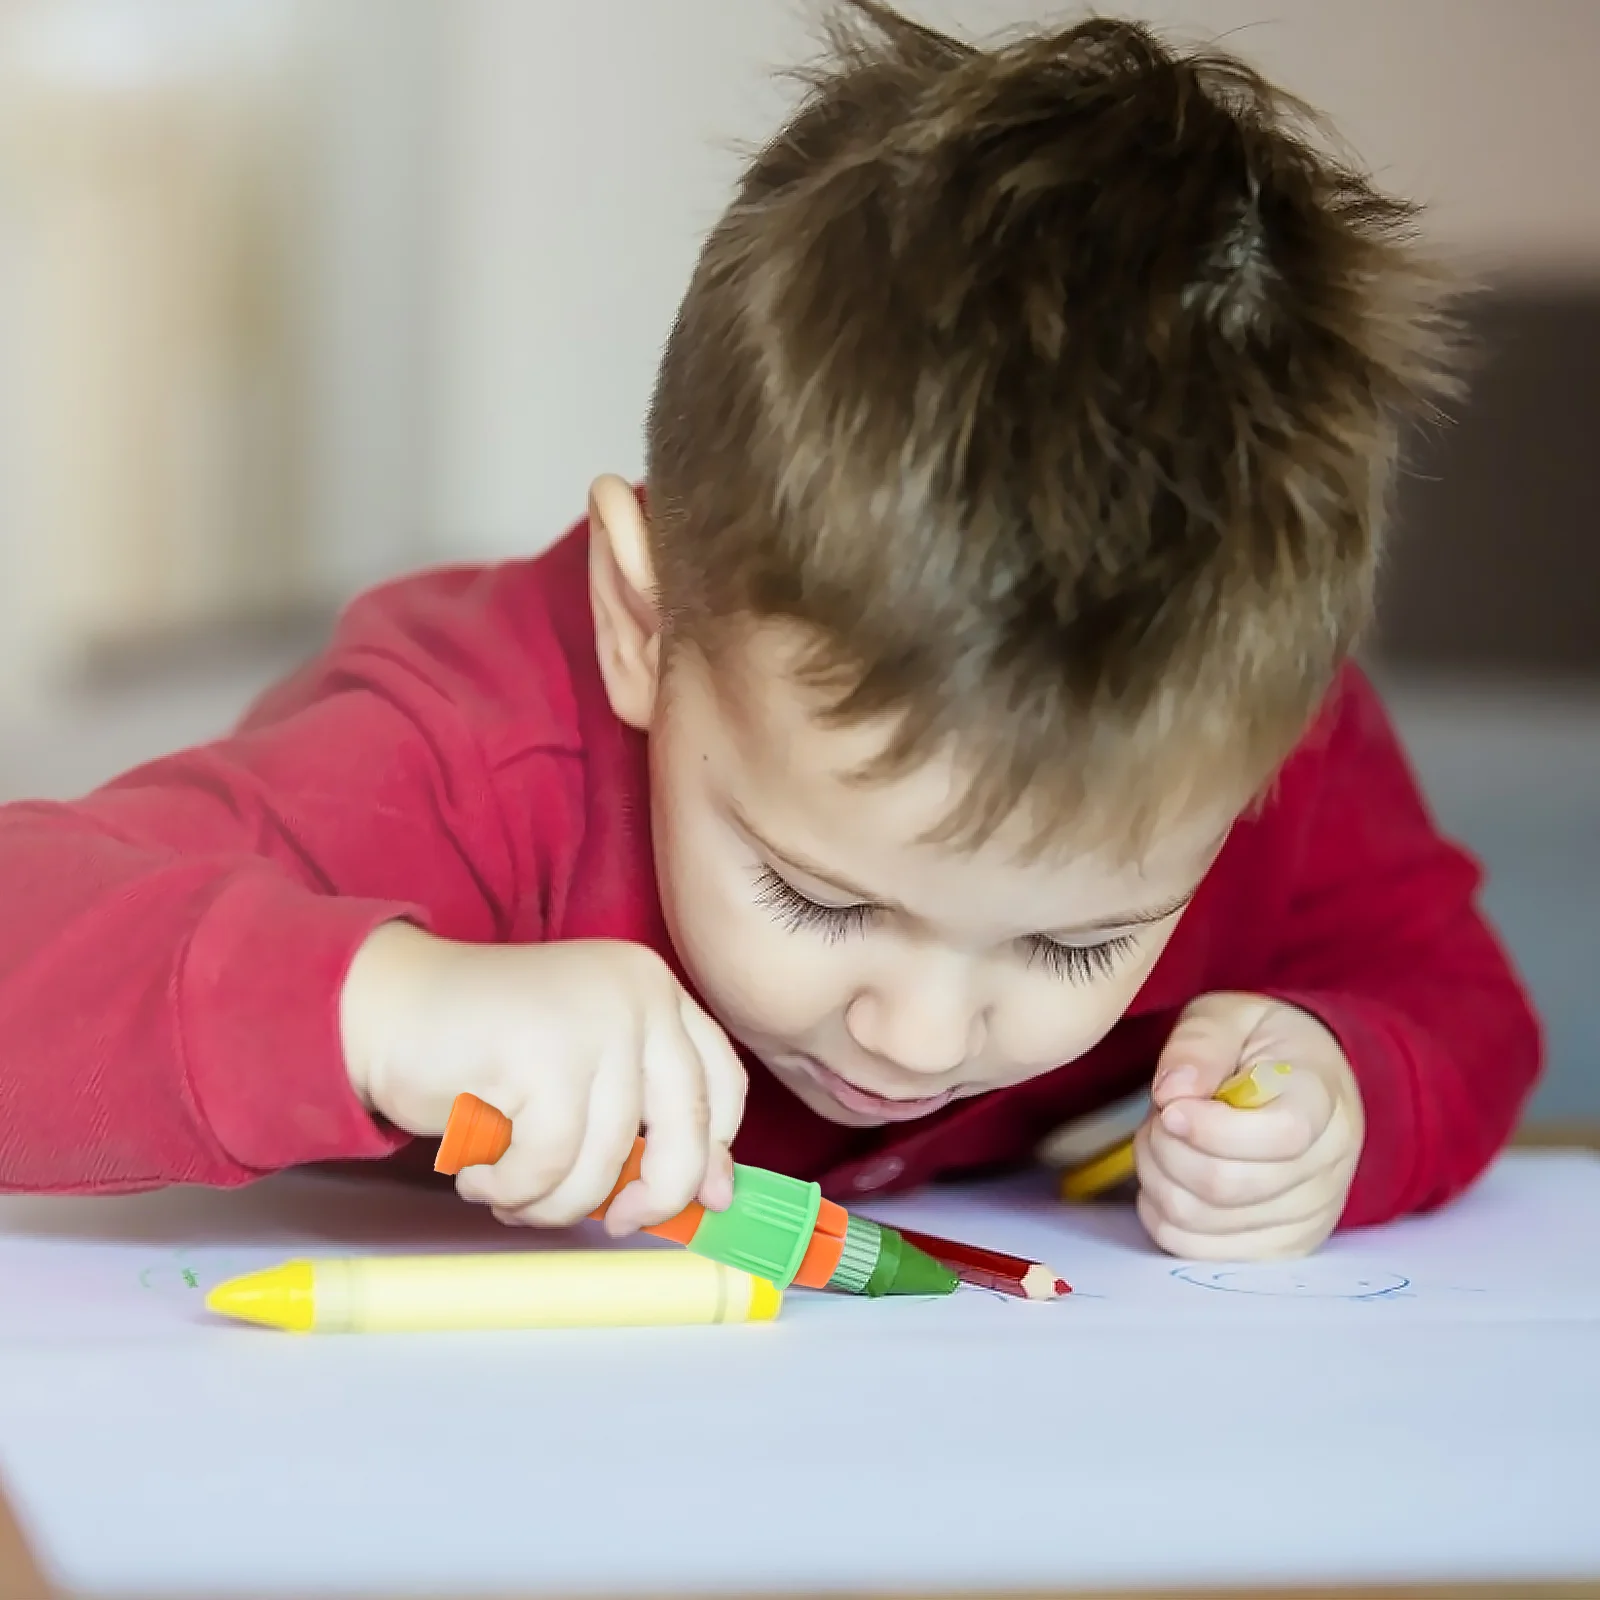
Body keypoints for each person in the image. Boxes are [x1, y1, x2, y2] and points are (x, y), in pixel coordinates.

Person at [0, 1, 1540, 1261]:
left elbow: (1460, 1000)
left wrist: (1348, 1093)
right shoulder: (470, 758)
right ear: (640, 614)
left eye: (1077, 940)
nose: (923, 1036)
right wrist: (385, 1004)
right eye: (818, 898)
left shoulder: (1223, 730)